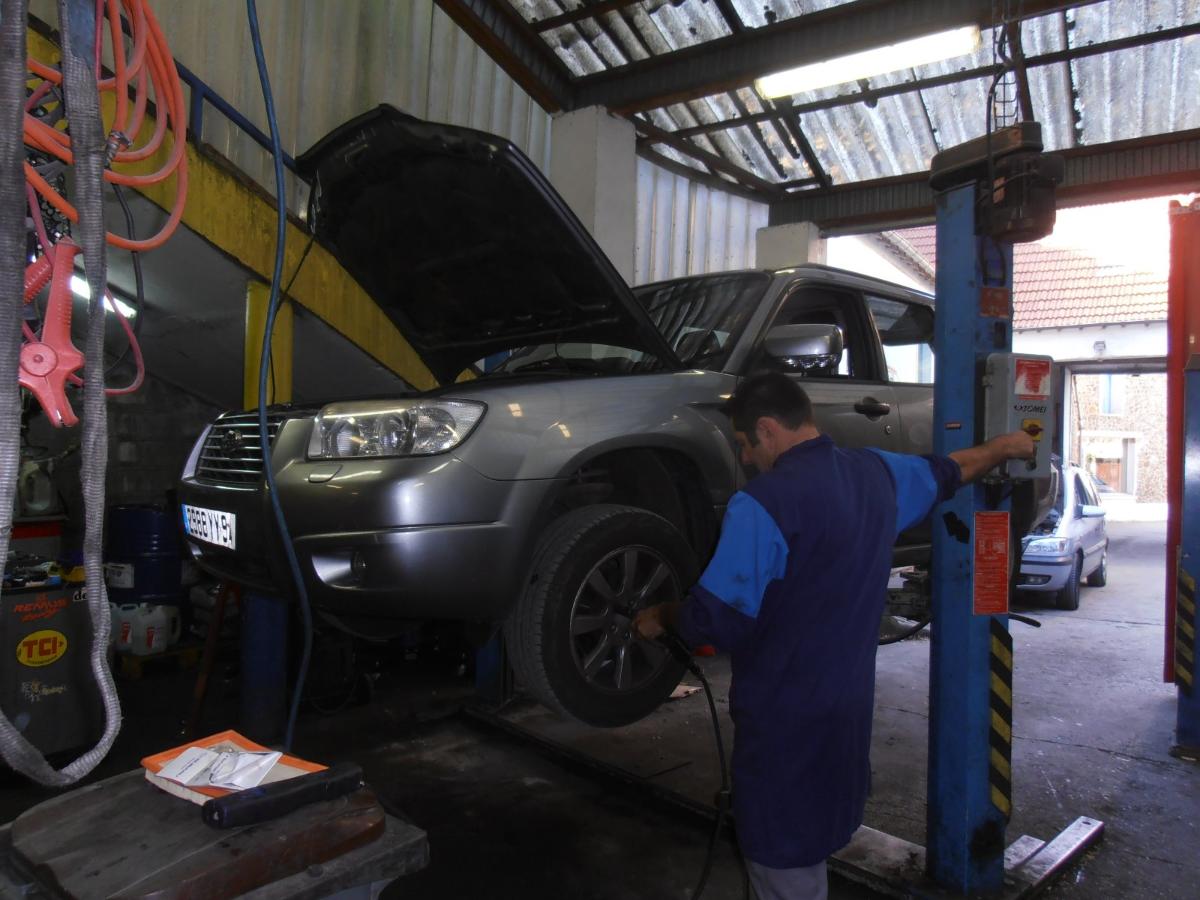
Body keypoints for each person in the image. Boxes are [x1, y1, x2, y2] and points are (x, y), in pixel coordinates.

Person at [633, 372, 1036, 900]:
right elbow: (952, 470)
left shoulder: (761, 504)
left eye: (744, 445)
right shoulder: (877, 474)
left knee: (783, 861)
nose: (748, 458)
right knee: (815, 837)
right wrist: (1007, 446)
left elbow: (715, 622)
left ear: (768, 430)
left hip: (784, 722)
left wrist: (662, 615)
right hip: (845, 714)